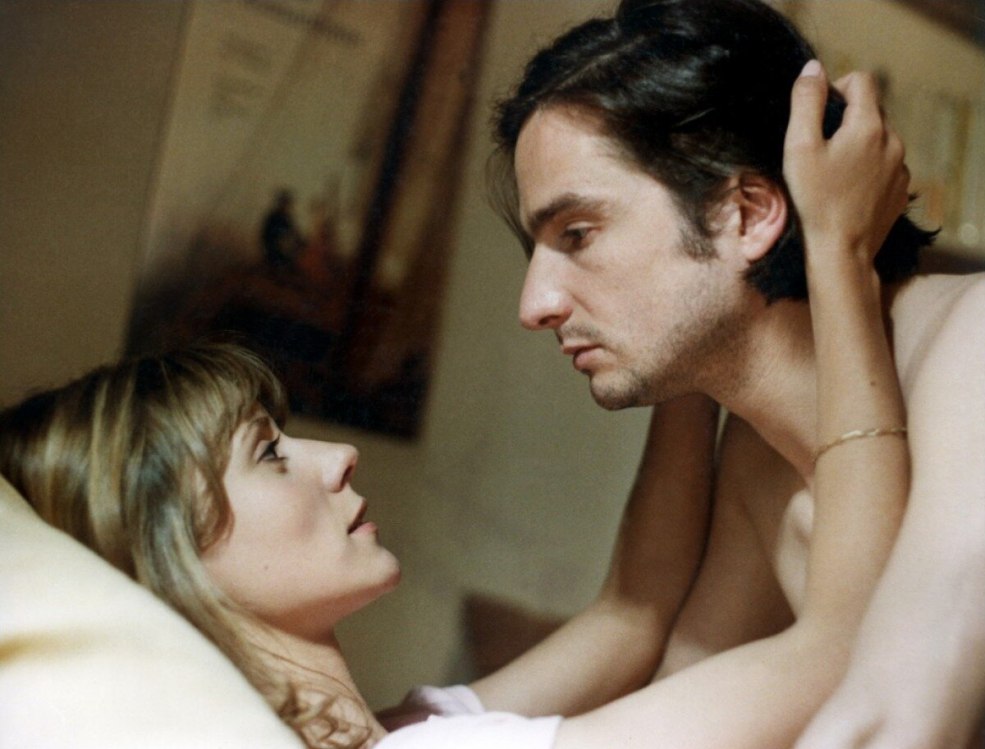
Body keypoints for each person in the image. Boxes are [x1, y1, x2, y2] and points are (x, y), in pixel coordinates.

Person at [0, 60, 914, 746]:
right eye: (268, 454)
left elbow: (632, 612)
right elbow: (847, 647)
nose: (336, 457)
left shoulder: (409, 730)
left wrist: (679, 338)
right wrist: (837, 250)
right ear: (170, 554)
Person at [488, 0, 985, 746]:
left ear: (749, 214)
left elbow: (897, 723)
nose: (535, 305)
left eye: (578, 234)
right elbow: (695, 699)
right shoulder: (757, 455)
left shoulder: (973, 349)